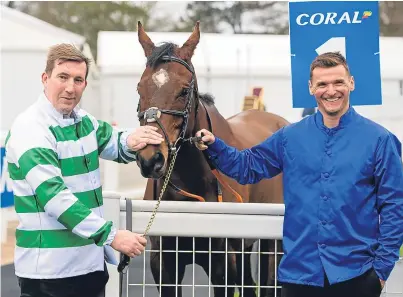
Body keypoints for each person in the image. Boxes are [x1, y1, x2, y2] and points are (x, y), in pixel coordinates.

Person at [195, 52, 403, 297]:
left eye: (338, 82)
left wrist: (380, 271)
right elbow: (247, 166)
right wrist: (215, 145)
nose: (331, 91)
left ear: (351, 83)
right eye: (322, 84)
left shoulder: (380, 140)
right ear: (311, 88)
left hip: (356, 275)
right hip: (299, 276)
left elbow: (394, 207)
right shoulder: (289, 137)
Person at [5, 43, 164, 297]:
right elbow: (55, 199)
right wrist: (112, 236)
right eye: (63, 77)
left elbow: (114, 141)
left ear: (85, 85)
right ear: (45, 79)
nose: (70, 87)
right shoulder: (30, 128)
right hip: (49, 274)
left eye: (78, 80)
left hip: (89, 267)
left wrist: (134, 139)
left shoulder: (84, 120)